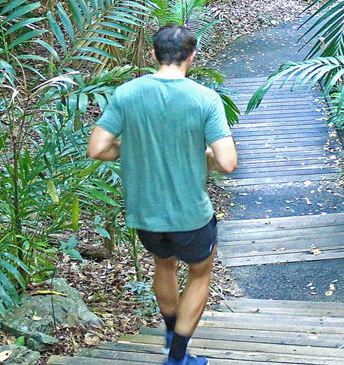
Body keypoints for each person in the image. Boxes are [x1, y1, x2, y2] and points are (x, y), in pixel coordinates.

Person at [87, 24, 237, 365]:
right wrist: (203, 158)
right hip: (191, 216)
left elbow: (97, 149)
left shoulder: (126, 93)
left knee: (163, 263)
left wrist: (131, 150)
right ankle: (178, 357)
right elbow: (227, 163)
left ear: (153, 54)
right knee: (200, 272)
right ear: (192, 57)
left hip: (145, 213)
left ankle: (171, 337)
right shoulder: (205, 99)